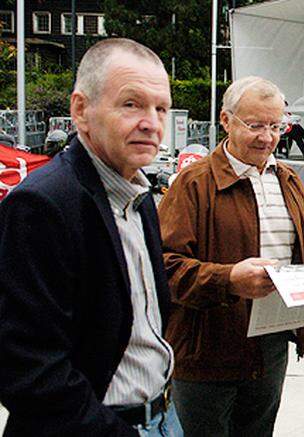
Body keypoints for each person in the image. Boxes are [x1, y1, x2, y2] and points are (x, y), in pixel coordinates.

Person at [0, 39, 181, 436]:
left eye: (160, 108)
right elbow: (29, 370)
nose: (151, 122)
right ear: (80, 110)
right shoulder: (42, 205)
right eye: (131, 104)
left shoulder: (140, 194)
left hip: (163, 416)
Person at [158, 76, 304, 437]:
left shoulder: (289, 180)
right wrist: (229, 279)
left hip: (271, 347)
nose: (267, 138)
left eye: (276, 126)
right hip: (207, 351)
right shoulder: (192, 184)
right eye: (255, 125)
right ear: (226, 120)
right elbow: (164, 267)